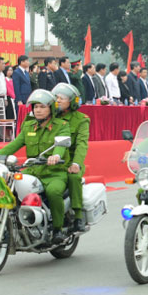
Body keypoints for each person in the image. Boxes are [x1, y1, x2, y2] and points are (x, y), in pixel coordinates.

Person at [0, 89, 72, 239]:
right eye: (35, 107)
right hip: (32, 170)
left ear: (51, 108)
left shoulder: (61, 125)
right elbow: (15, 144)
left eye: (42, 106)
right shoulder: (28, 127)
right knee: (10, 184)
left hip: (54, 172)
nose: (38, 110)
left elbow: (61, 144)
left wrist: (56, 155)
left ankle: (58, 228)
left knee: (53, 192)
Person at [52, 82, 90, 232]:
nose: (58, 100)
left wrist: (77, 163)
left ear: (73, 102)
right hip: (48, 160)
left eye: (62, 98)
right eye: (56, 97)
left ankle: (78, 215)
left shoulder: (81, 119)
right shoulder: (48, 115)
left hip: (70, 161)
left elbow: (82, 144)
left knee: (74, 177)